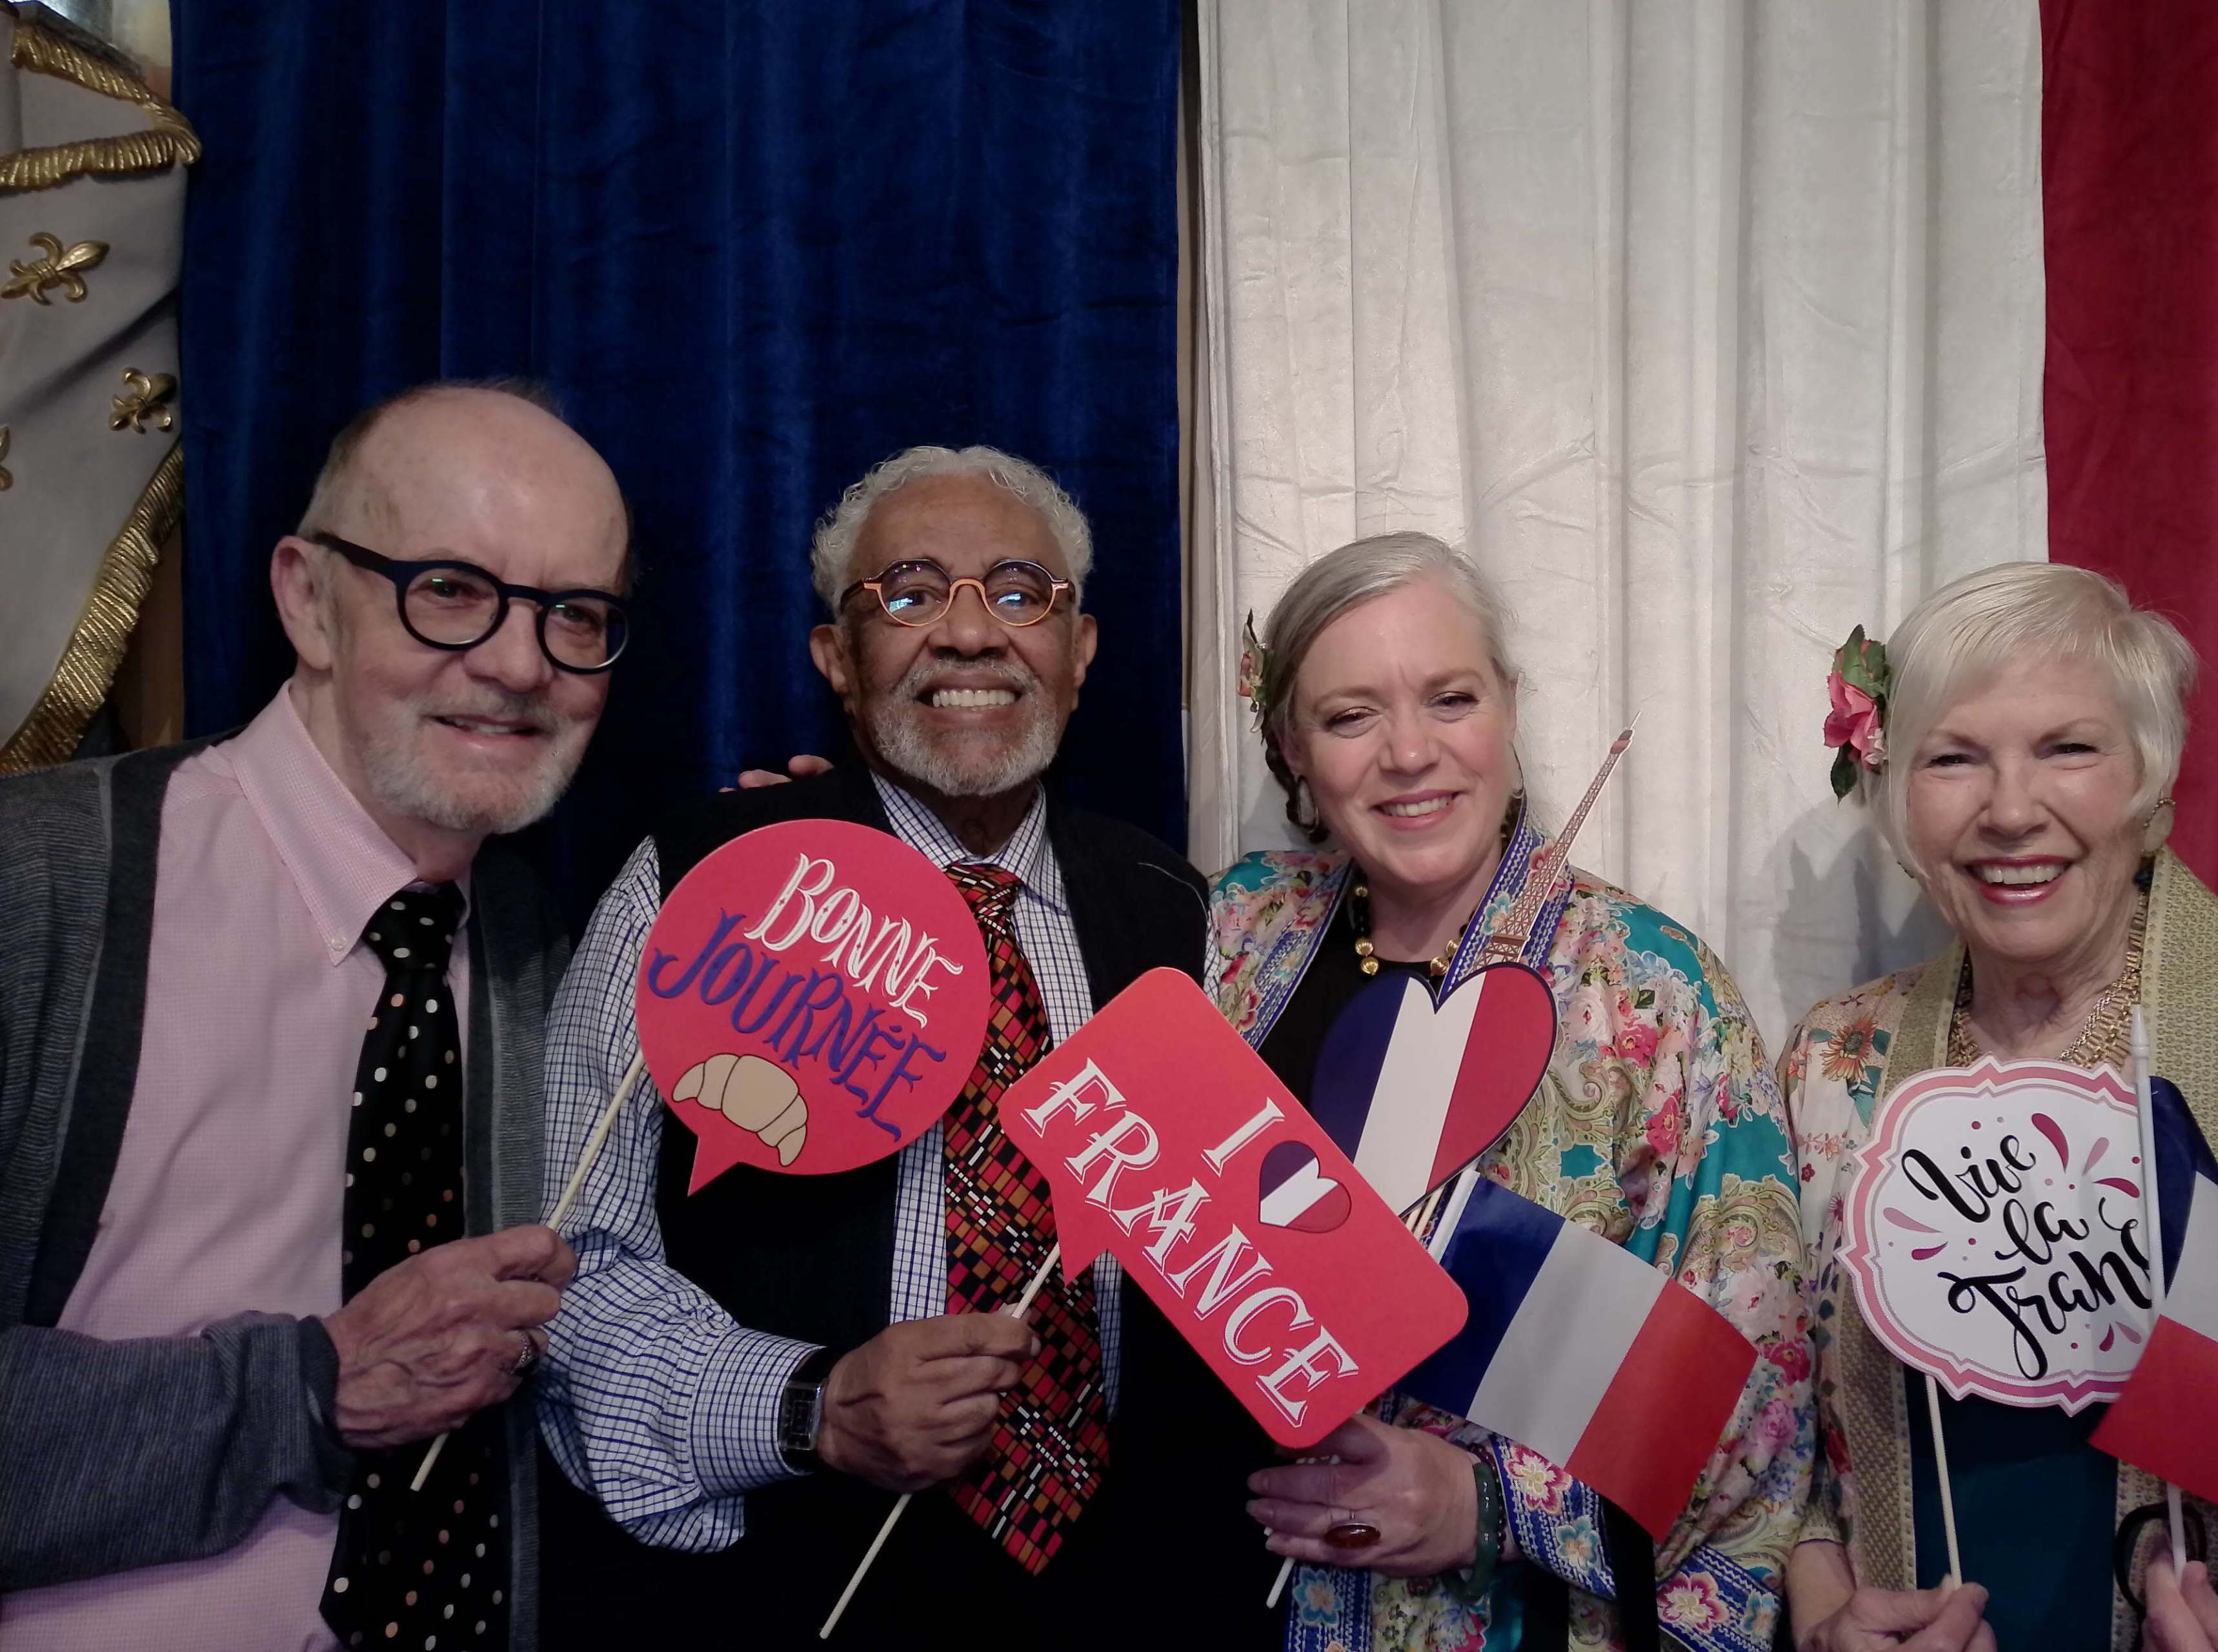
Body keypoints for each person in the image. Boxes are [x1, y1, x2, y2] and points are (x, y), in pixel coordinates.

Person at [534, 445, 1253, 1648]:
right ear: (837, 659)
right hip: (776, 1593)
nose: (971, 636)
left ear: (1079, 654)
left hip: (1120, 1598)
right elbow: (565, 1270)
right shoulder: (705, 881)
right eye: (909, 594)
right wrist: (810, 1405)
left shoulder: (1178, 910)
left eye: (1020, 593)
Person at [0, 381, 632, 1651]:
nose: (519, 664)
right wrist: (301, 1387)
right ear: (307, 598)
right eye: (449, 588)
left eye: (576, 615)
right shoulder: (40, 886)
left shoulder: (544, 961)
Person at [1780, 562, 2218, 1652]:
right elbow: (1787, 1457)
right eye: (1954, 759)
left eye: (2070, 749)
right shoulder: (1834, 1069)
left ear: (2153, 777)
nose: (2013, 812)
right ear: (1895, 797)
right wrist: (1828, 1620)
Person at [1187, 532, 1811, 1651]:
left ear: (1510, 709)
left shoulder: (1656, 995)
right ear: (1292, 747)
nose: (1410, 753)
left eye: (1450, 697)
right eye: (1350, 717)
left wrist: (1488, 1505)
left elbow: (1748, 1409)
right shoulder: (1232, 934)